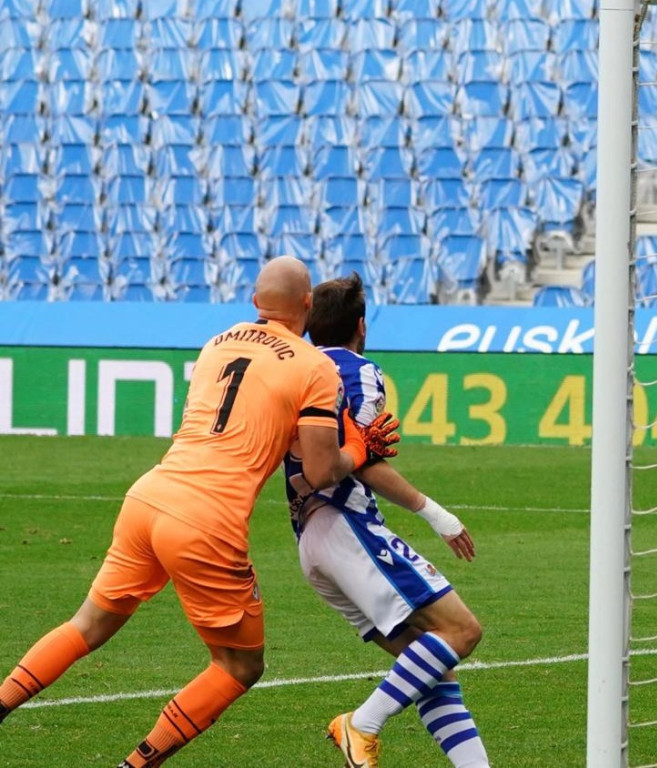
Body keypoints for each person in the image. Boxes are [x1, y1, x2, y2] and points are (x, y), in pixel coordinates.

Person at [0, 257, 401, 766]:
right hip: (207, 519)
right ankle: (136, 763)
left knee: (88, 625)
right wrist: (362, 448)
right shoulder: (314, 366)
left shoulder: (216, 343)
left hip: (151, 494)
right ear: (307, 304)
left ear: (255, 302)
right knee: (239, 666)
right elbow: (322, 470)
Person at [283, 273, 488, 768]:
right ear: (361, 325)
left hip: (310, 540)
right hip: (345, 525)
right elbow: (366, 457)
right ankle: (361, 724)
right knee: (461, 631)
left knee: (434, 670)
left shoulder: (296, 370)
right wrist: (438, 515)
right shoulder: (358, 372)